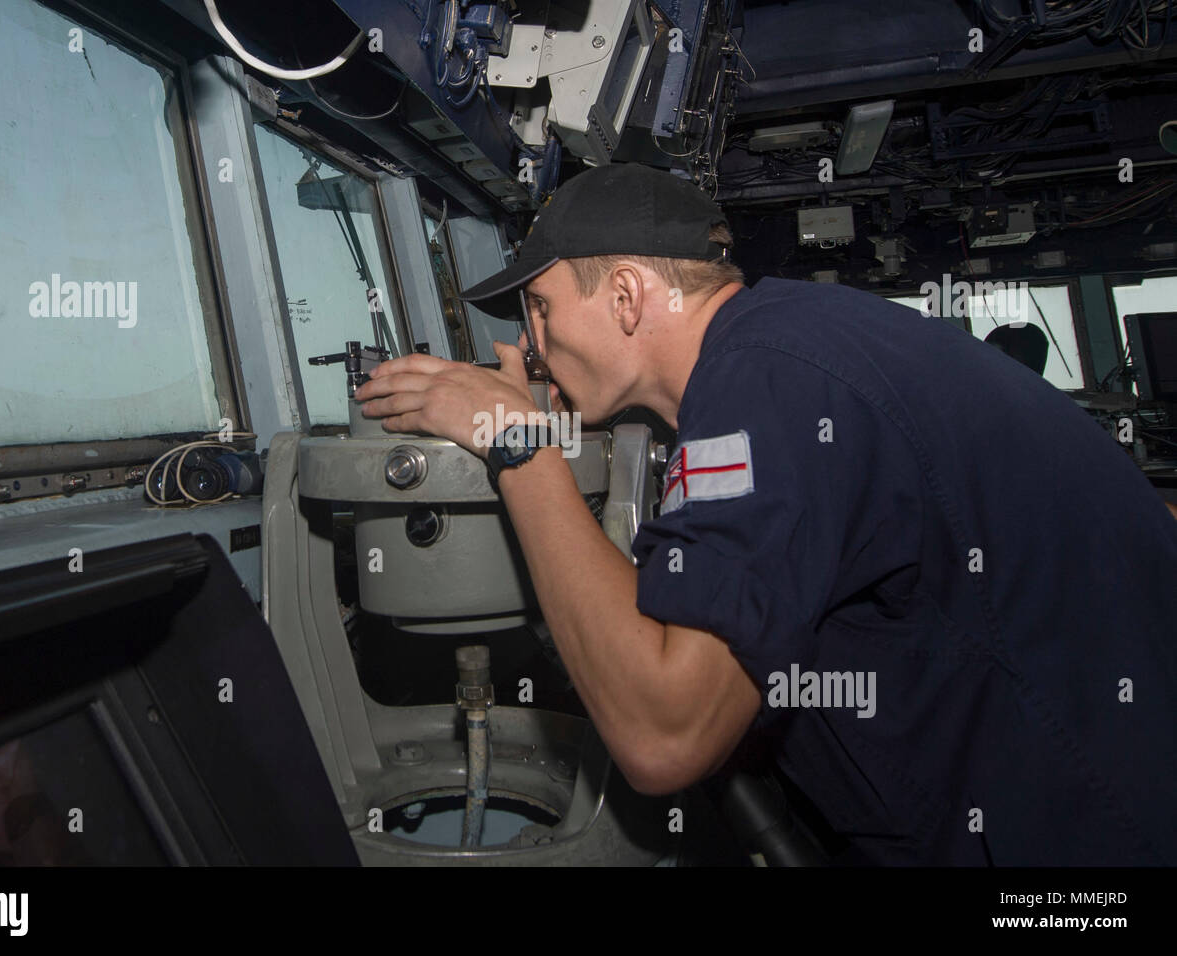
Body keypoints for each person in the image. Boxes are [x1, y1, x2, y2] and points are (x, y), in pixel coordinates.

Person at [352, 163, 1177, 865]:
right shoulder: (785, 345)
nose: (531, 347)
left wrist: (518, 444)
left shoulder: (766, 383)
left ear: (629, 297)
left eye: (539, 309)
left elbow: (663, 735)